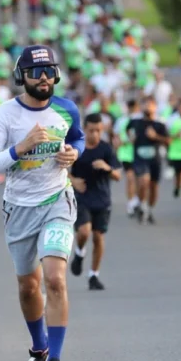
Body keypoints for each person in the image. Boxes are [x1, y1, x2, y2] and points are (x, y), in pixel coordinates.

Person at [0, 45, 85, 361]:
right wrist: (20, 148)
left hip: (57, 199)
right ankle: (39, 348)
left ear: (55, 75)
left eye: (48, 71)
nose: (42, 77)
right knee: (29, 287)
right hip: (19, 208)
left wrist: (73, 153)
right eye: (34, 72)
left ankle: (55, 359)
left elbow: (78, 138)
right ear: (20, 77)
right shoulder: (4, 115)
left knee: (55, 279)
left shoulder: (66, 110)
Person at [69, 112, 121, 290]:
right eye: (91, 130)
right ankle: (79, 252)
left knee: (98, 237)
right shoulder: (77, 148)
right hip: (81, 197)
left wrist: (107, 168)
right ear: (85, 129)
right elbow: (62, 170)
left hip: (102, 199)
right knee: (84, 231)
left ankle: (93, 275)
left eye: (98, 130)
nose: (95, 134)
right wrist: (73, 181)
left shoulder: (106, 149)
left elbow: (117, 175)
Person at [127, 96, 170, 224]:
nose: (148, 107)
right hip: (139, 158)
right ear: (141, 107)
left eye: (150, 104)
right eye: (145, 104)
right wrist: (130, 137)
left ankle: (149, 209)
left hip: (155, 160)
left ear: (155, 107)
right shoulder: (135, 122)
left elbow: (168, 141)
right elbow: (128, 131)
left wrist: (155, 136)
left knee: (154, 187)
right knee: (143, 181)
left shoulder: (159, 124)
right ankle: (142, 204)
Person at [113, 99, 141, 216]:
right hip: (126, 154)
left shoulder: (140, 119)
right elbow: (116, 136)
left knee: (140, 179)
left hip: (138, 153)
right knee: (130, 178)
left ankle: (137, 200)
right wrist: (120, 144)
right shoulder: (121, 121)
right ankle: (130, 203)